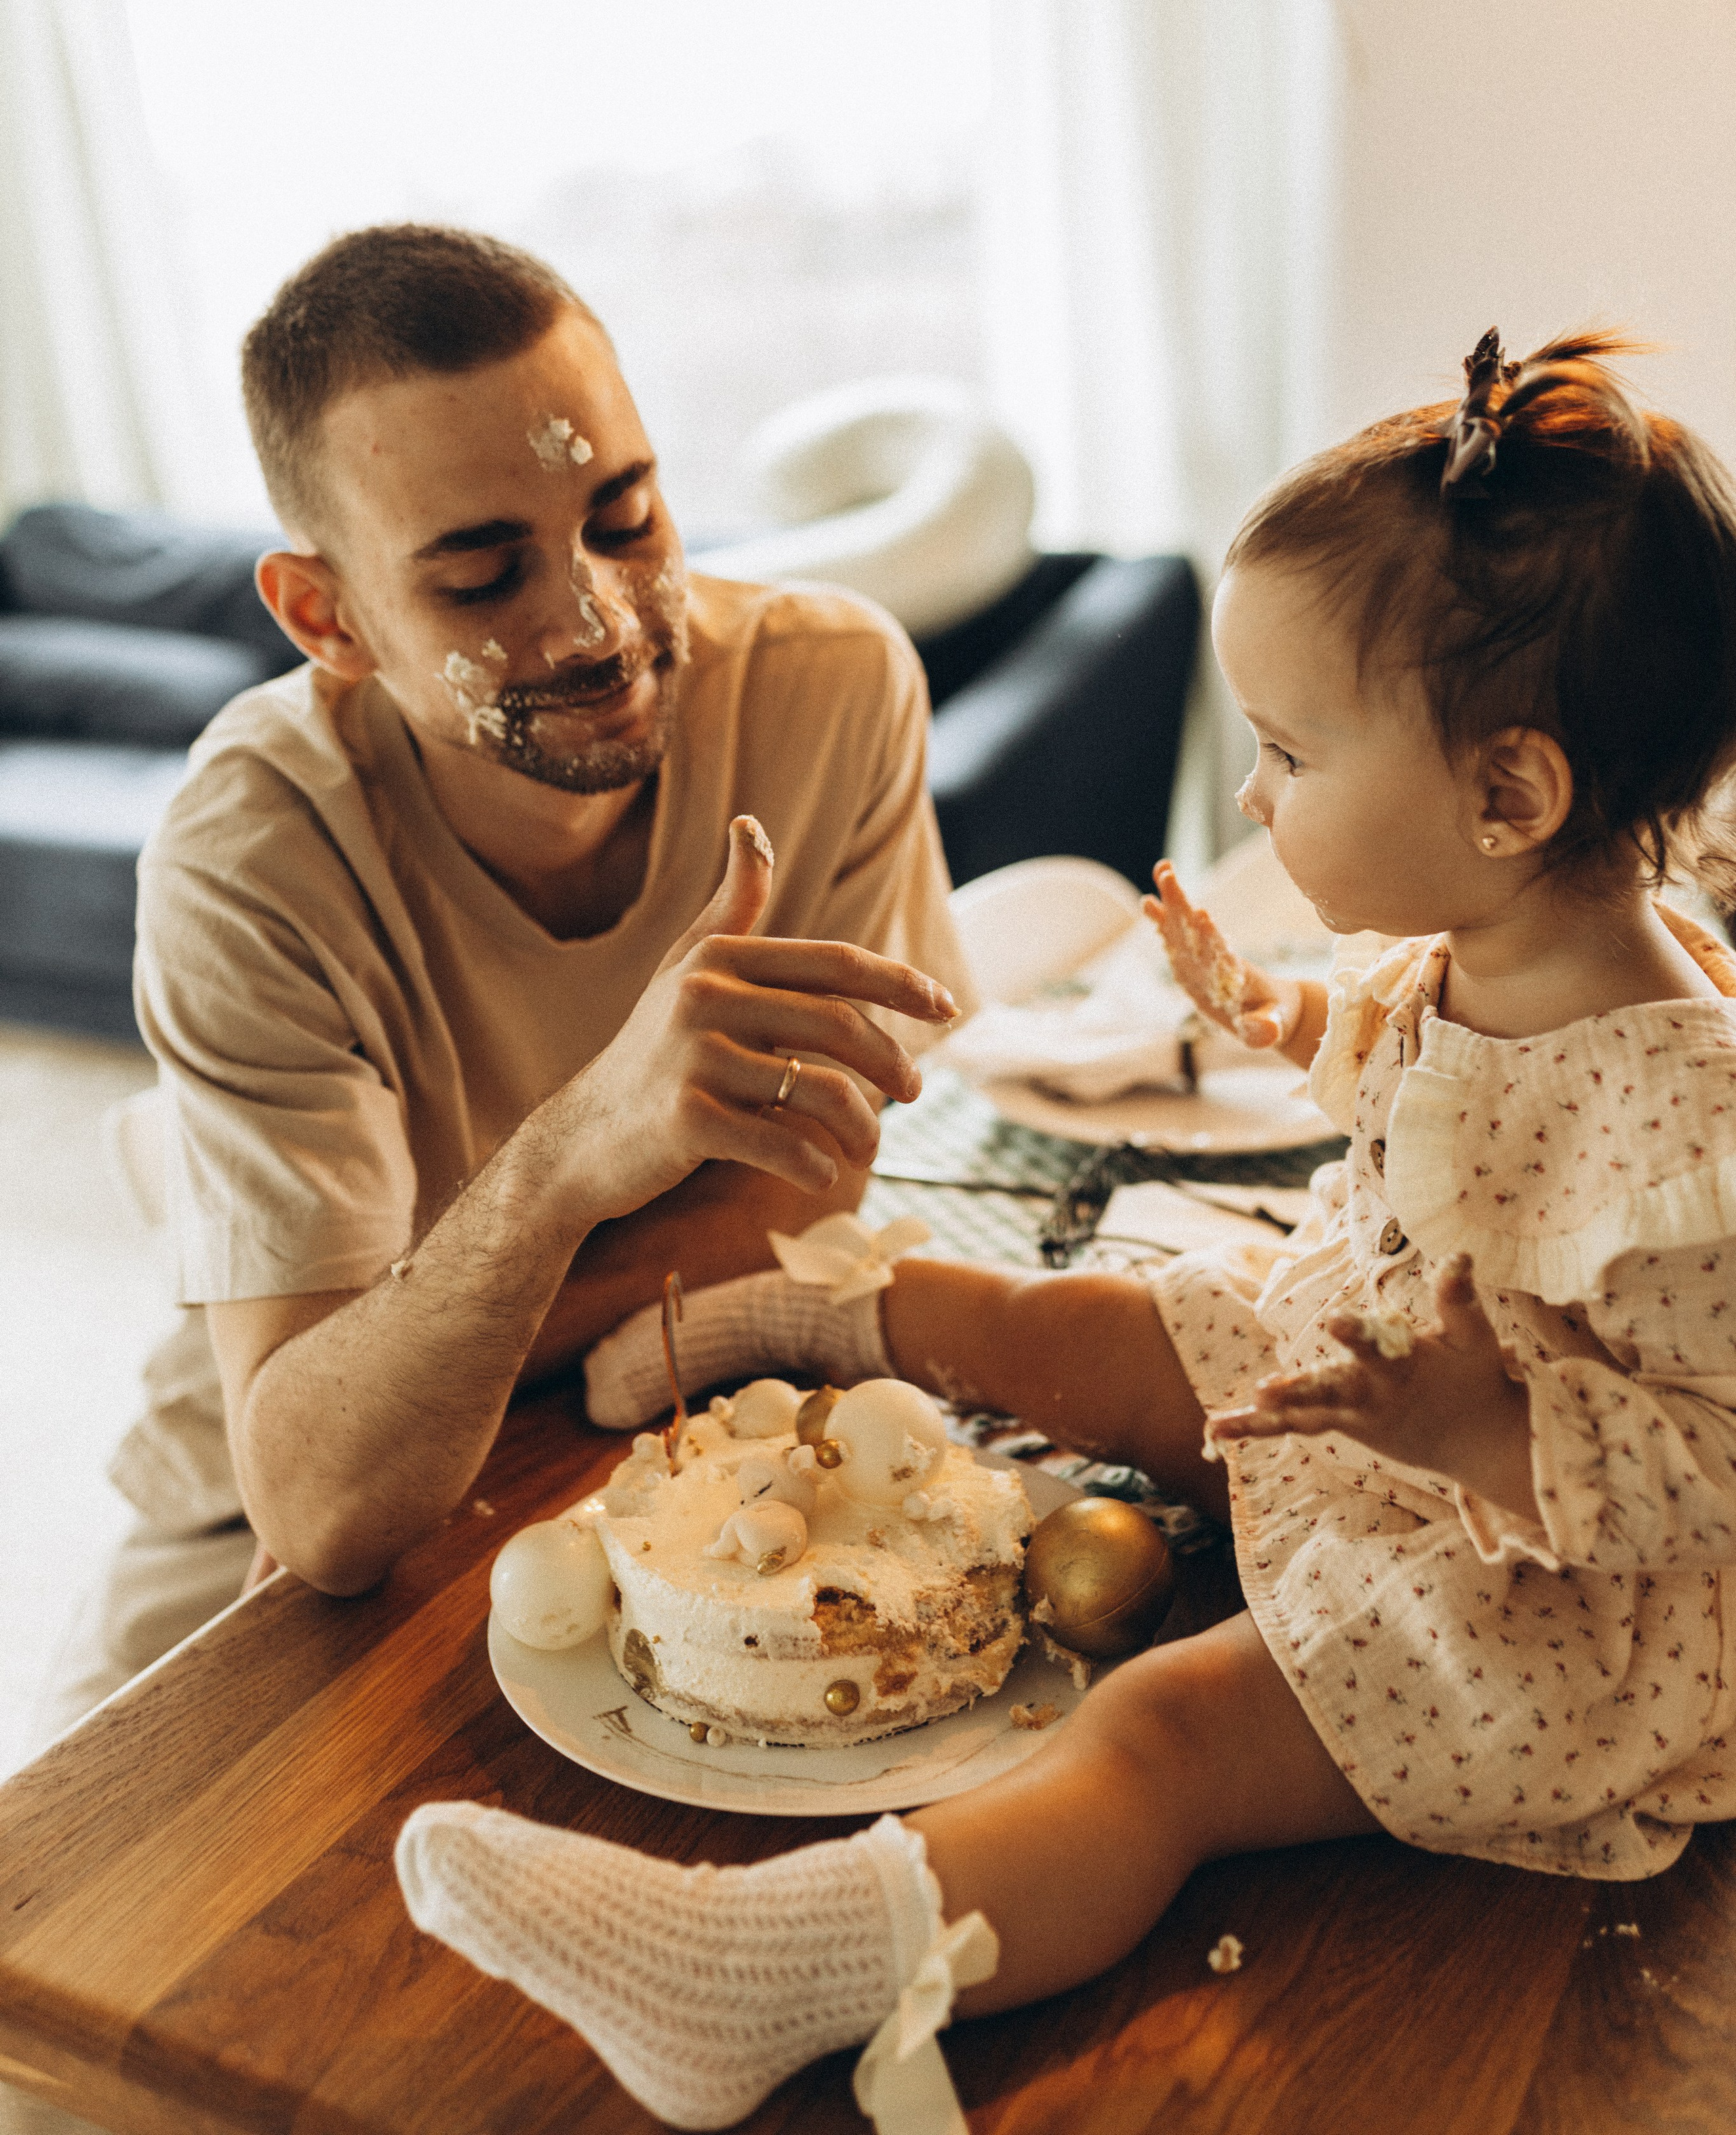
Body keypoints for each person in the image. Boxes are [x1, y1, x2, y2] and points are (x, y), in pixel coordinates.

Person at [395, 328, 1736, 2134]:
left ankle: (766, 1970)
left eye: (1286, 754)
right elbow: (1435, 1090)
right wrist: (1282, 1019)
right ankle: (819, 1315)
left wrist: (1480, 1434)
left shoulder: (1692, 1137)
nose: (1252, 798)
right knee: (1109, 1315)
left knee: (1164, 1740)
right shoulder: (1493, 943)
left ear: (1508, 798)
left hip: (1541, 1607)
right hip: (1365, 1397)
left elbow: (1715, 1470)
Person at [45, 222, 967, 1727]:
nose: (599, 623)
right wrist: (568, 1165)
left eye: (627, 518)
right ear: (327, 617)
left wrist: (442, 1339)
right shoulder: (250, 856)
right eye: (481, 579)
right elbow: (318, 1501)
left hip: (654, 1415)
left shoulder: (833, 690)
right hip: (247, 1532)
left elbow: (805, 1191)